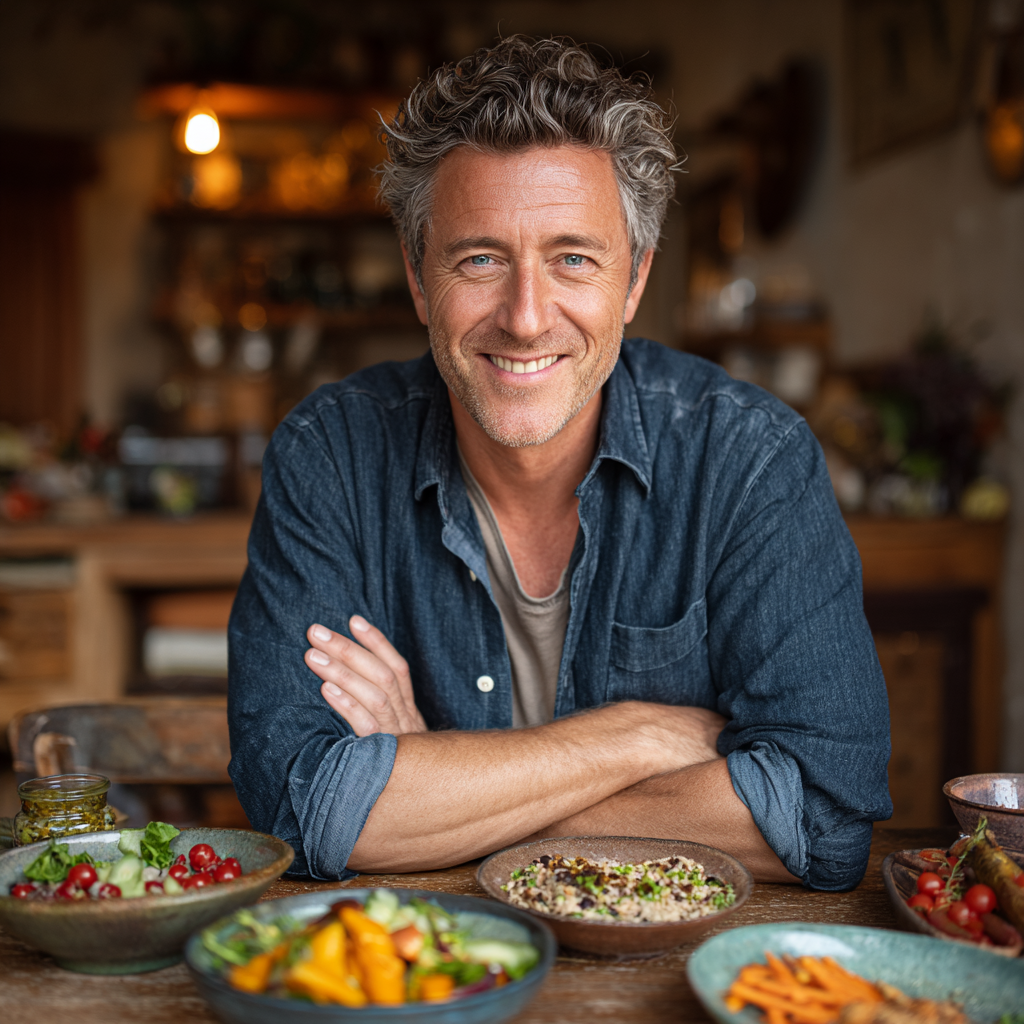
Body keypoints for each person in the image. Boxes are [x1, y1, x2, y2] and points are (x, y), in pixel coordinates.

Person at [228, 36, 891, 891]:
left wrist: (436, 787)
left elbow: (824, 818)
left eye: (573, 259)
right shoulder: (331, 455)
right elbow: (301, 803)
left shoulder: (749, 459)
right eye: (480, 260)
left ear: (634, 281)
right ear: (420, 278)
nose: (528, 317)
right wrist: (634, 738)